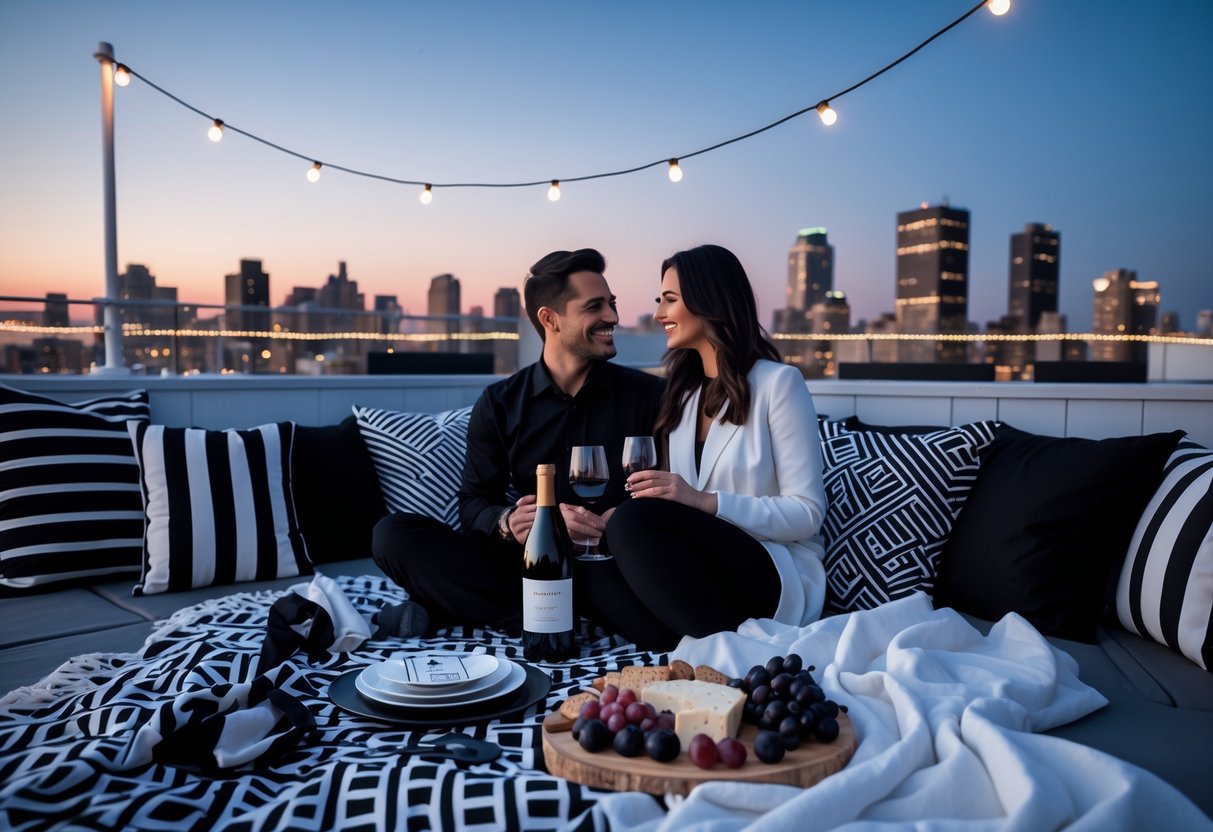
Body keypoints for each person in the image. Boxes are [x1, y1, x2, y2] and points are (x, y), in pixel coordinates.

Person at [372, 248, 665, 635]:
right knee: (392, 535)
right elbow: (474, 504)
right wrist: (509, 522)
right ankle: (557, 610)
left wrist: (622, 522)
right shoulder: (500, 403)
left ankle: (464, 610)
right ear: (550, 319)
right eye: (595, 307)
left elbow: (669, 488)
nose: (612, 317)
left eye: (611, 304)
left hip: (617, 563)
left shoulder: (650, 395)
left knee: (654, 609)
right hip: (528, 568)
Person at [604, 244, 828, 650]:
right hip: (707, 570)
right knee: (595, 562)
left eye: (669, 300)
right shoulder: (683, 397)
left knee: (631, 521)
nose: (658, 315)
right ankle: (695, 639)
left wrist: (704, 501)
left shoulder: (779, 383)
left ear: (709, 301)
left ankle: (714, 647)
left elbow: (807, 513)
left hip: (772, 570)